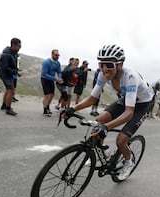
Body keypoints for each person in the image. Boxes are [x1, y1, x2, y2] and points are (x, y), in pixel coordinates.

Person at [62, 44, 154, 180]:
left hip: (142, 104)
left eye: (109, 65)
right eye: (101, 64)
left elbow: (129, 112)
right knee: (99, 121)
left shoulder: (130, 77)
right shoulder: (103, 74)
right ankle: (103, 153)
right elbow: (93, 98)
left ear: (120, 65)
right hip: (127, 99)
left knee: (121, 140)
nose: (104, 69)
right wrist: (72, 109)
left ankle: (129, 162)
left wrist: (108, 127)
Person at [0, 38, 21, 116]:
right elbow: (5, 68)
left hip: (9, 74)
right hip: (5, 74)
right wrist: (16, 72)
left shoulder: (14, 53)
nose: (19, 48)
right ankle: (8, 109)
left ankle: (4, 105)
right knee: (11, 91)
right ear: (13, 45)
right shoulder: (6, 55)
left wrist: (16, 71)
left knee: (8, 90)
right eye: (18, 46)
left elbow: (15, 64)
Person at [40, 49, 64, 117]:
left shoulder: (57, 63)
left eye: (58, 55)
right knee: (47, 95)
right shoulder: (46, 62)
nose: (57, 57)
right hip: (44, 79)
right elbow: (44, 73)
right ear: (52, 54)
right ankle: (45, 110)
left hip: (51, 79)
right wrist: (55, 79)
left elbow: (59, 71)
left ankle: (47, 106)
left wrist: (59, 77)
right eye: (56, 55)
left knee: (52, 94)